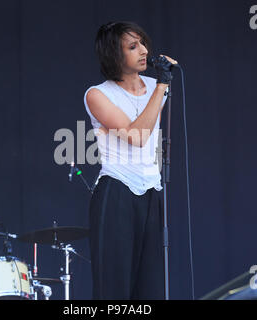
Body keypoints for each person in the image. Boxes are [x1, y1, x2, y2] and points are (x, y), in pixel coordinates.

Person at [84, 21, 178, 299]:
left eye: (143, 43)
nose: (144, 51)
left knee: (151, 289)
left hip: (152, 192)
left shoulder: (155, 86)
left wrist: (159, 86)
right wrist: (161, 86)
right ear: (114, 54)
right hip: (116, 192)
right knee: (114, 287)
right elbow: (137, 136)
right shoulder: (98, 94)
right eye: (133, 46)